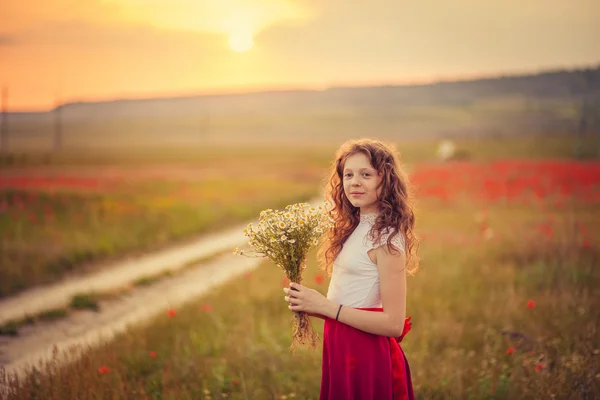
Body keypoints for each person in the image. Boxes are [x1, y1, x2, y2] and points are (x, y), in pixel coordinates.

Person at [283, 138, 419, 400]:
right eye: (348, 174)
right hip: (340, 344)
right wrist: (311, 304)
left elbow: (393, 324)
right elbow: (352, 300)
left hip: (365, 353)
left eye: (366, 174)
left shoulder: (387, 239)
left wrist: (325, 307)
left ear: (386, 180)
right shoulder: (357, 228)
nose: (354, 182)